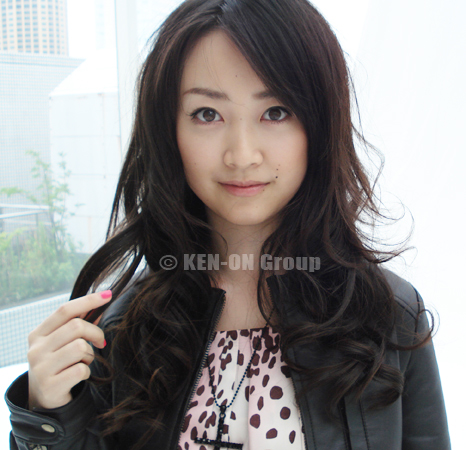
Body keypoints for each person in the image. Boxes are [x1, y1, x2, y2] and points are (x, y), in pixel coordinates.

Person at [5, 0, 450, 449]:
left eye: (276, 112)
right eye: (207, 114)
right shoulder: (123, 329)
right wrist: (46, 415)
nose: (241, 155)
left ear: (320, 124)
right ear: (168, 130)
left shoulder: (388, 315)